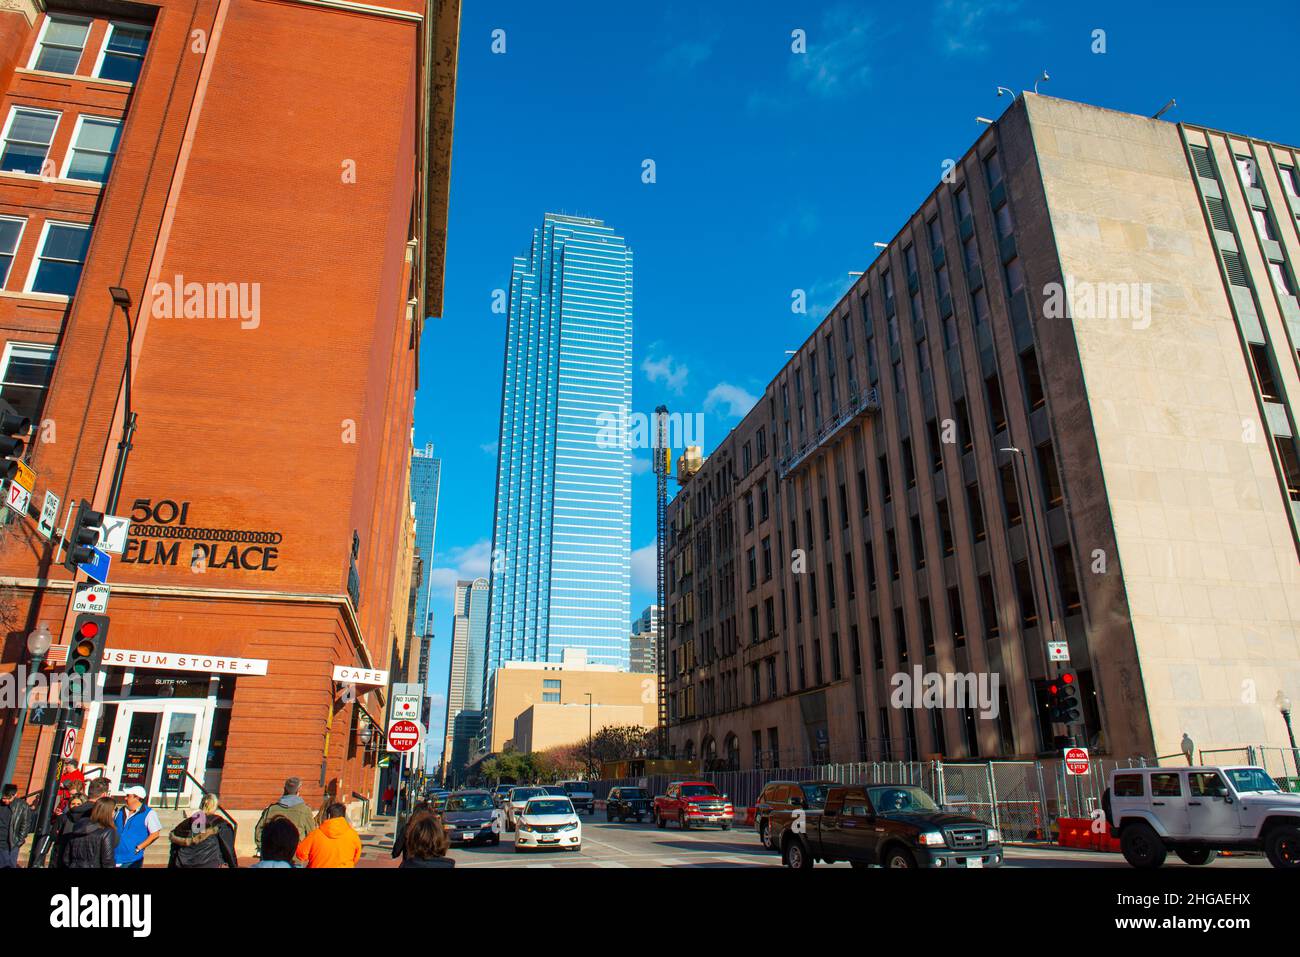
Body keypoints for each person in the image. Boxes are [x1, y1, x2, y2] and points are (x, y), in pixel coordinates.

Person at [168, 793, 238, 868]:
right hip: (211, 864)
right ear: (215, 806)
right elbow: (228, 850)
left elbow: (174, 851)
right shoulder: (219, 824)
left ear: (201, 804)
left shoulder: (184, 825)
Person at [53, 778, 113, 862]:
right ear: (104, 795)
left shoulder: (69, 813)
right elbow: (113, 842)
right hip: (90, 861)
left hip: (66, 858)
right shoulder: (100, 815)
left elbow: (56, 837)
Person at [255, 776, 317, 852]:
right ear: (299, 790)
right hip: (295, 856)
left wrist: (265, 849)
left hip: (273, 855)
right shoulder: (305, 810)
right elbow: (312, 835)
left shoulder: (272, 809)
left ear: (284, 789)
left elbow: (259, 832)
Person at [53, 796, 116, 869]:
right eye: (114, 810)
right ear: (108, 812)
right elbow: (108, 861)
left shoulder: (78, 826)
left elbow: (66, 858)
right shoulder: (107, 831)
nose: (114, 812)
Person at [294, 803, 361, 868]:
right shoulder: (353, 835)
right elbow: (355, 857)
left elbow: (301, 854)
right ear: (344, 816)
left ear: (328, 816)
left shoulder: (315, 834)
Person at [113, 786, 162, 868]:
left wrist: (139, 848)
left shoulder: (149, 813)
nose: (125, 798)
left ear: (137, 797)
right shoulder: (121, 811)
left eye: (128, 796)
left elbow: (155, 834)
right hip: (114, 856)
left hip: (132, 860)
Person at [0, 784, 35, 868]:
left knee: (9, 865)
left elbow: (25, 824)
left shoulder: (22, 806)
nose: (4, 800)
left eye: (7, 798)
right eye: (3, 797)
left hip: (12, 842)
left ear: (15, 795)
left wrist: (19, 840)